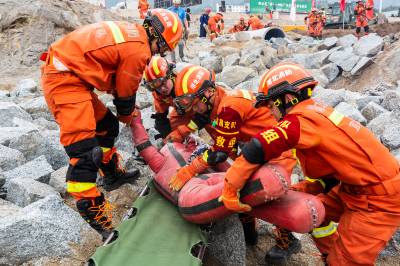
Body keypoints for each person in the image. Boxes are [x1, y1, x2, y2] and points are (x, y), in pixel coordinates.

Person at [219, 62, 400, 265]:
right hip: (352, 188)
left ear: (287, 98)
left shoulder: (301, 120)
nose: (270, 112)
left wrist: (230, 187)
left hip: (378, 200)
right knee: (311, 210)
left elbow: (257, 147)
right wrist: (304, 188)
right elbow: (337, 170)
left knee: (347, 261)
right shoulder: (318, 112)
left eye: (270, 105)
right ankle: (329, 253)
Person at [40, 9, 183, 239]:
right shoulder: (139, 50)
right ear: (159, 38)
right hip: (64, 79)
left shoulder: (133, 34)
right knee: (85, 151)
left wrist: (125, 113)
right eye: (164, 47)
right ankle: (90, 206)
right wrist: (130, 116)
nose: (161, 52)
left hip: (73, 75)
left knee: (107, 125)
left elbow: (116, 77)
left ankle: (111, 174)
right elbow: (125, 94)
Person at [165, 65, 297, 245]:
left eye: (195, 103)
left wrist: (191, 169)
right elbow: (226, 144)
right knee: (238, 185)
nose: (194, 109)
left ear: (209, 92)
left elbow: (220, 152)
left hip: (277, 153)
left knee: (270, 196)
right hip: (260, 149)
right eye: (190, 104)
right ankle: (249, 234)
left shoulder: (229, 107)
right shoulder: (215, 106)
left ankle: (287, 239)